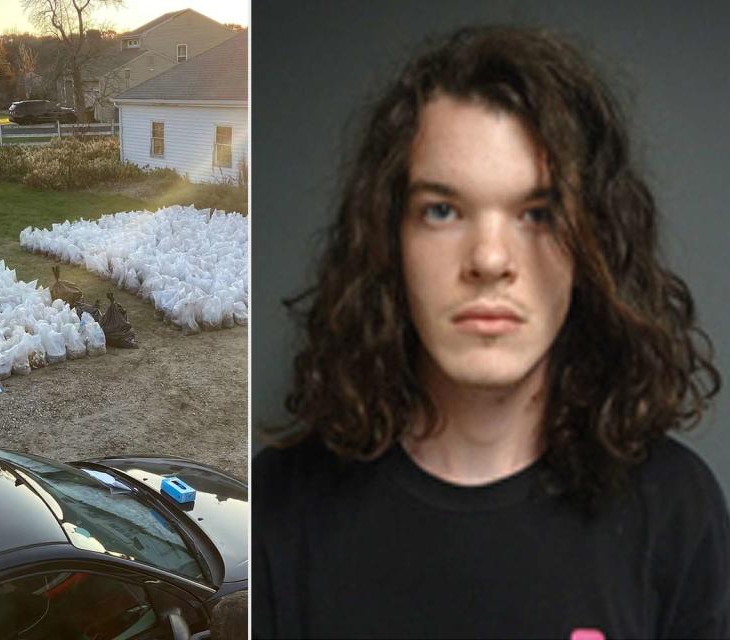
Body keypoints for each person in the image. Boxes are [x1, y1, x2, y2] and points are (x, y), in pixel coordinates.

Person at [252, 26, 728, 639]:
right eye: (442, 211)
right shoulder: (279, 505)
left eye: (539, 214)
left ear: (595, 244)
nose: (490, 259)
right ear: (389, 239)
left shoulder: (675, 509)